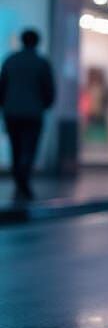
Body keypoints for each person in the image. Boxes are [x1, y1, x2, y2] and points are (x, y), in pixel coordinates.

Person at [0, 28, 56, 201]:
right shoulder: (41, 63)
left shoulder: (10, 60)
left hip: (12, 112)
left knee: (16, 147)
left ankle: (19, 178)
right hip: (33, 113)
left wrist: (6, 105)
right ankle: (23, 178)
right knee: (29, 148)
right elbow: (49, 90)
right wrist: (43, 105)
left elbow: (2, 86)